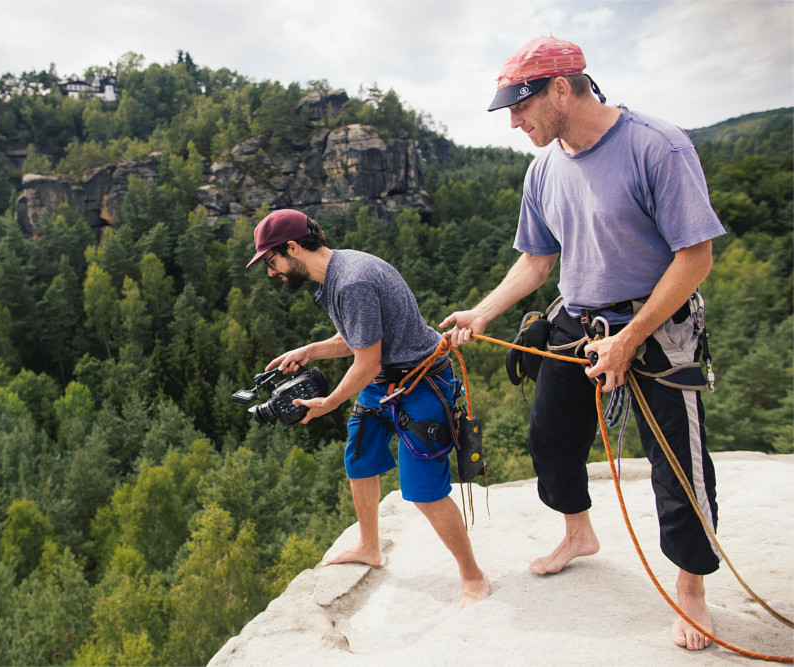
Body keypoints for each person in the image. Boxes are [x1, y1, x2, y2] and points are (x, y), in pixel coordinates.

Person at [440, 36, 726, 650]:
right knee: (551, 437)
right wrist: (484, 312)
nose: (513, 121)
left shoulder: (658, 147)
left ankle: (692, 590)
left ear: (563, 89)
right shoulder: (543, 168)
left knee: (678, 464)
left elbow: (695, 257)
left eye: (521, 106)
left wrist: (630, 338)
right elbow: (537, 260)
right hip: (577, 321)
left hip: (656, 326)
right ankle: (578, 532)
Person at [246, 208, 490, 609]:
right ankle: (369, 546)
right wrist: (310, 351)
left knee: (423, 492)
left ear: (292, 247)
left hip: (420, 383)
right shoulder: (337, 273)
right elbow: (357, 341)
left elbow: (367, 361)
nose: (272, 272)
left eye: (272, 262)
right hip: (387, 381)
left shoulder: (351, 283)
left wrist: (329, 403)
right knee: (360, 458)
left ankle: (473, 577)